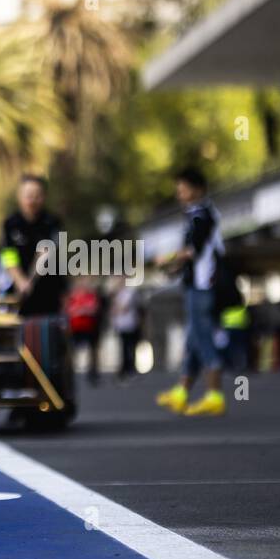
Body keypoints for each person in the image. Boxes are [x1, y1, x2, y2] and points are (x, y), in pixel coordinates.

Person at [154, 167, 228, 416]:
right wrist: (176, 268)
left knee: (203, 337)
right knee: (193, 339)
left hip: (203, 286)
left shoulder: (201, 214)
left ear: (197, 190)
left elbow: (193, 249)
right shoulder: (197, 214)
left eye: (183, 189)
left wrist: (169, 258)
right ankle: (182, 391)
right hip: (196, 284)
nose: (180, 194)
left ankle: (214, 394)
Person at [0, 174, 65, 316]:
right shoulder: (10, 224)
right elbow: (8, 255)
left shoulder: (52, 223)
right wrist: (20, 281)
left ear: (44, 197)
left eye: (38, 195)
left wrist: (30, 279)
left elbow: (47, 253)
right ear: (20, 196)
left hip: (49, 295)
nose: (33, 200)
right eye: (29, 195)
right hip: (19, 296)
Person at [64, 275, 104, 385]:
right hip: (76, 327)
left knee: (93, 351)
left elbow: (93, 309)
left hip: (89, 326)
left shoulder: (91, 295)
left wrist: (81, 310)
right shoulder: (72, 296)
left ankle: (93, 373)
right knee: (71, 352)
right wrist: (81, 310)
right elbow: (68, 310)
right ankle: (69, 373)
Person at [108, 275, 143, 382]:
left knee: (130, 347)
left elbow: (123, 308)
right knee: (123, 348)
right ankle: (124, 370)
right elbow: (113, 310)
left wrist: (115, 302)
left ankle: (131, 369)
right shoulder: (117, 294)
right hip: (120, 325)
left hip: (130, 324)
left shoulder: (129, 292)